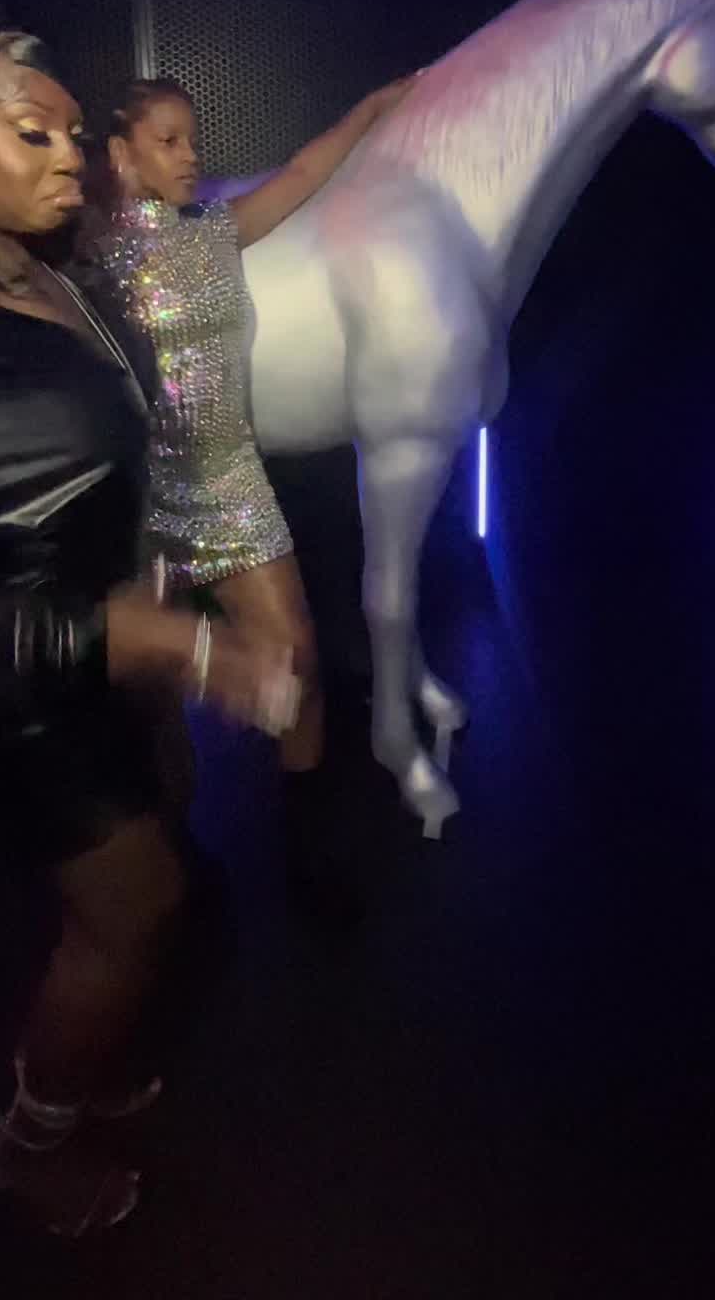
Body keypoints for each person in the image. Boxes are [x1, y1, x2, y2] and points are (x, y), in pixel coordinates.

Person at [0, 0, 298, 1237]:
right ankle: (27, 1141)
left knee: (149, 890)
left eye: (72, 133)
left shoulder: (44, 274)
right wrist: (141, 635)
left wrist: (152, 587)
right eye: (28, 134)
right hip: (18, 697)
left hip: (94, 664)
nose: (65, 158)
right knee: (133, 909)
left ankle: (80, 1076)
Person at [86, 72, 415, 918]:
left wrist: (370, 109)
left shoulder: (215, 231)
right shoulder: (93, 255)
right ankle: (172, 858)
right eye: (168, 141)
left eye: (193, 140)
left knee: (294, 660)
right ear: (122, 154)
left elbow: (302, 175)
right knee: (149, 698)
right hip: (138, 498)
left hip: (228, 478)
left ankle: (307, 848)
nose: (190, 156)